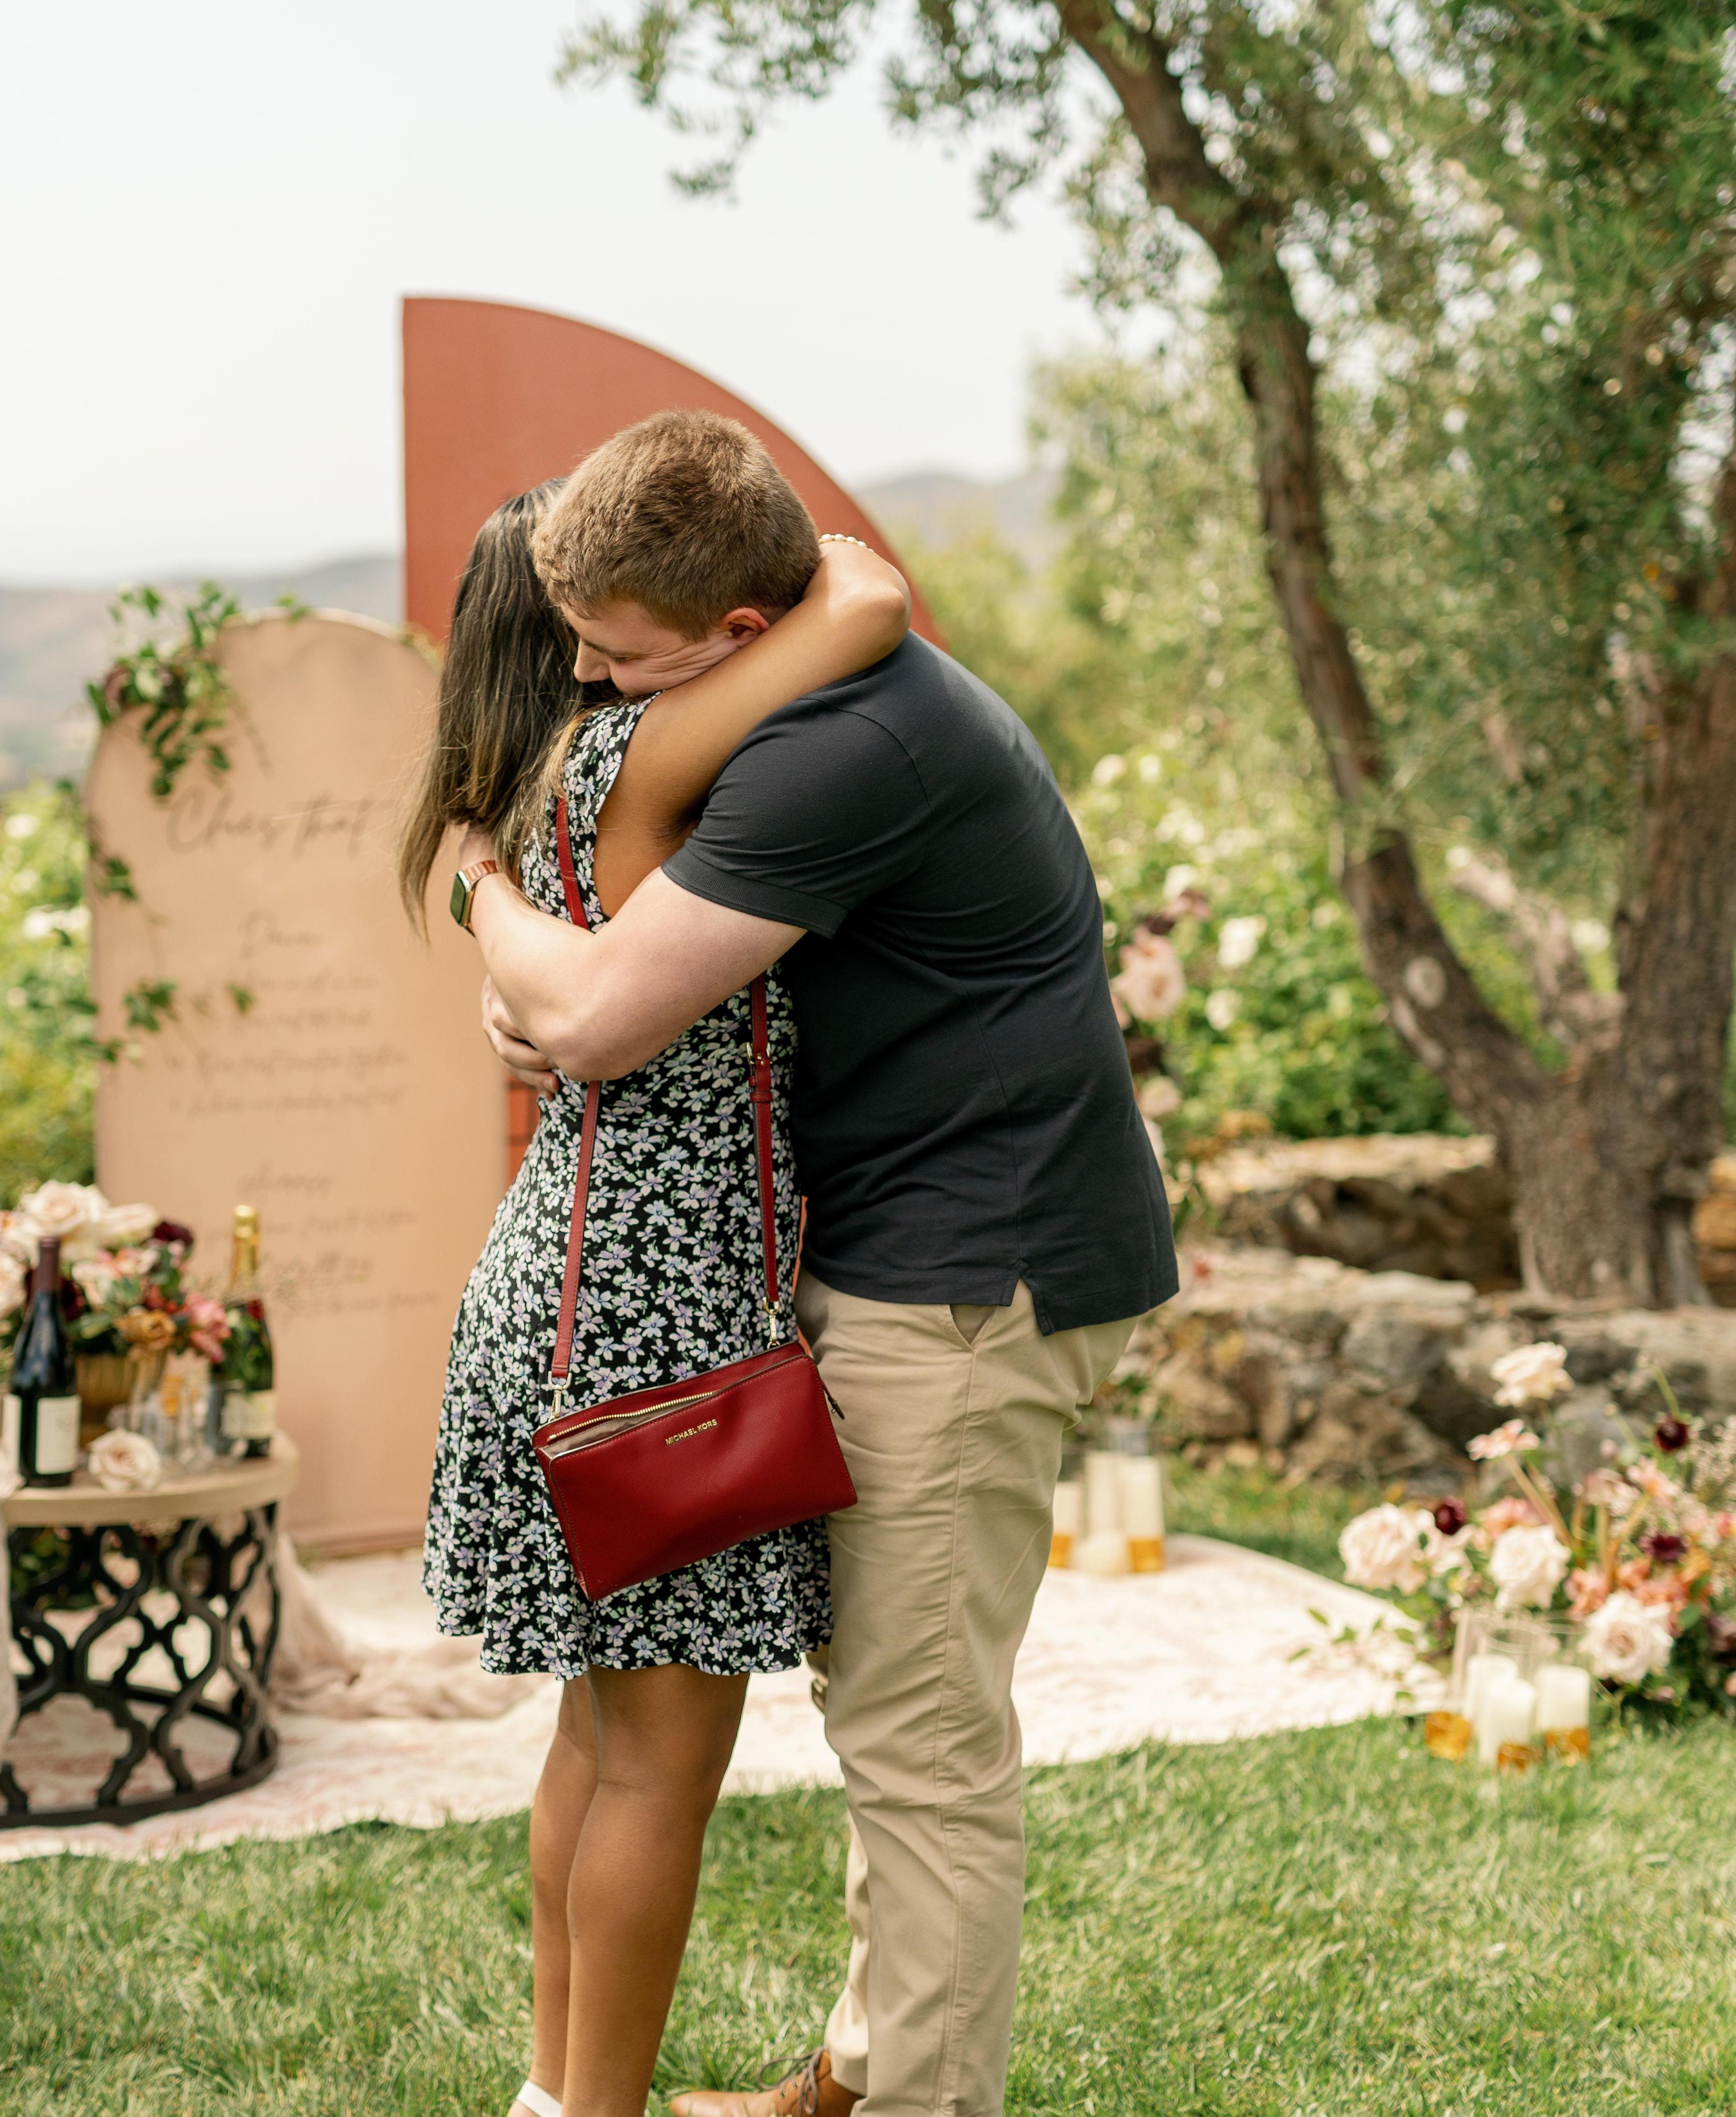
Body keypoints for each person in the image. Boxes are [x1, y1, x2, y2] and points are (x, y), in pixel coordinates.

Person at [459, 412, 1178, 2117]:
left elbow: (602, 1016)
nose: (589, 680)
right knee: (894, 1706)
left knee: (920, 1747)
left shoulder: (839, 746)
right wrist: (524, 977)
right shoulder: (813, 700)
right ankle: (859, 2072)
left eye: (619, 653)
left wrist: (490, 904)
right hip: (910, 1246)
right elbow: (598, 984)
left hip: (965, 1279)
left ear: (736, 632)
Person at [402, 475, 916, 2117]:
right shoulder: (632, 759)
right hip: (655, 1314)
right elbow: (864, 605)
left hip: (553, 1284)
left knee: (595, 1738)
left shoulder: (523, 803)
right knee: (661, 1772)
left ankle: (557, 2097)